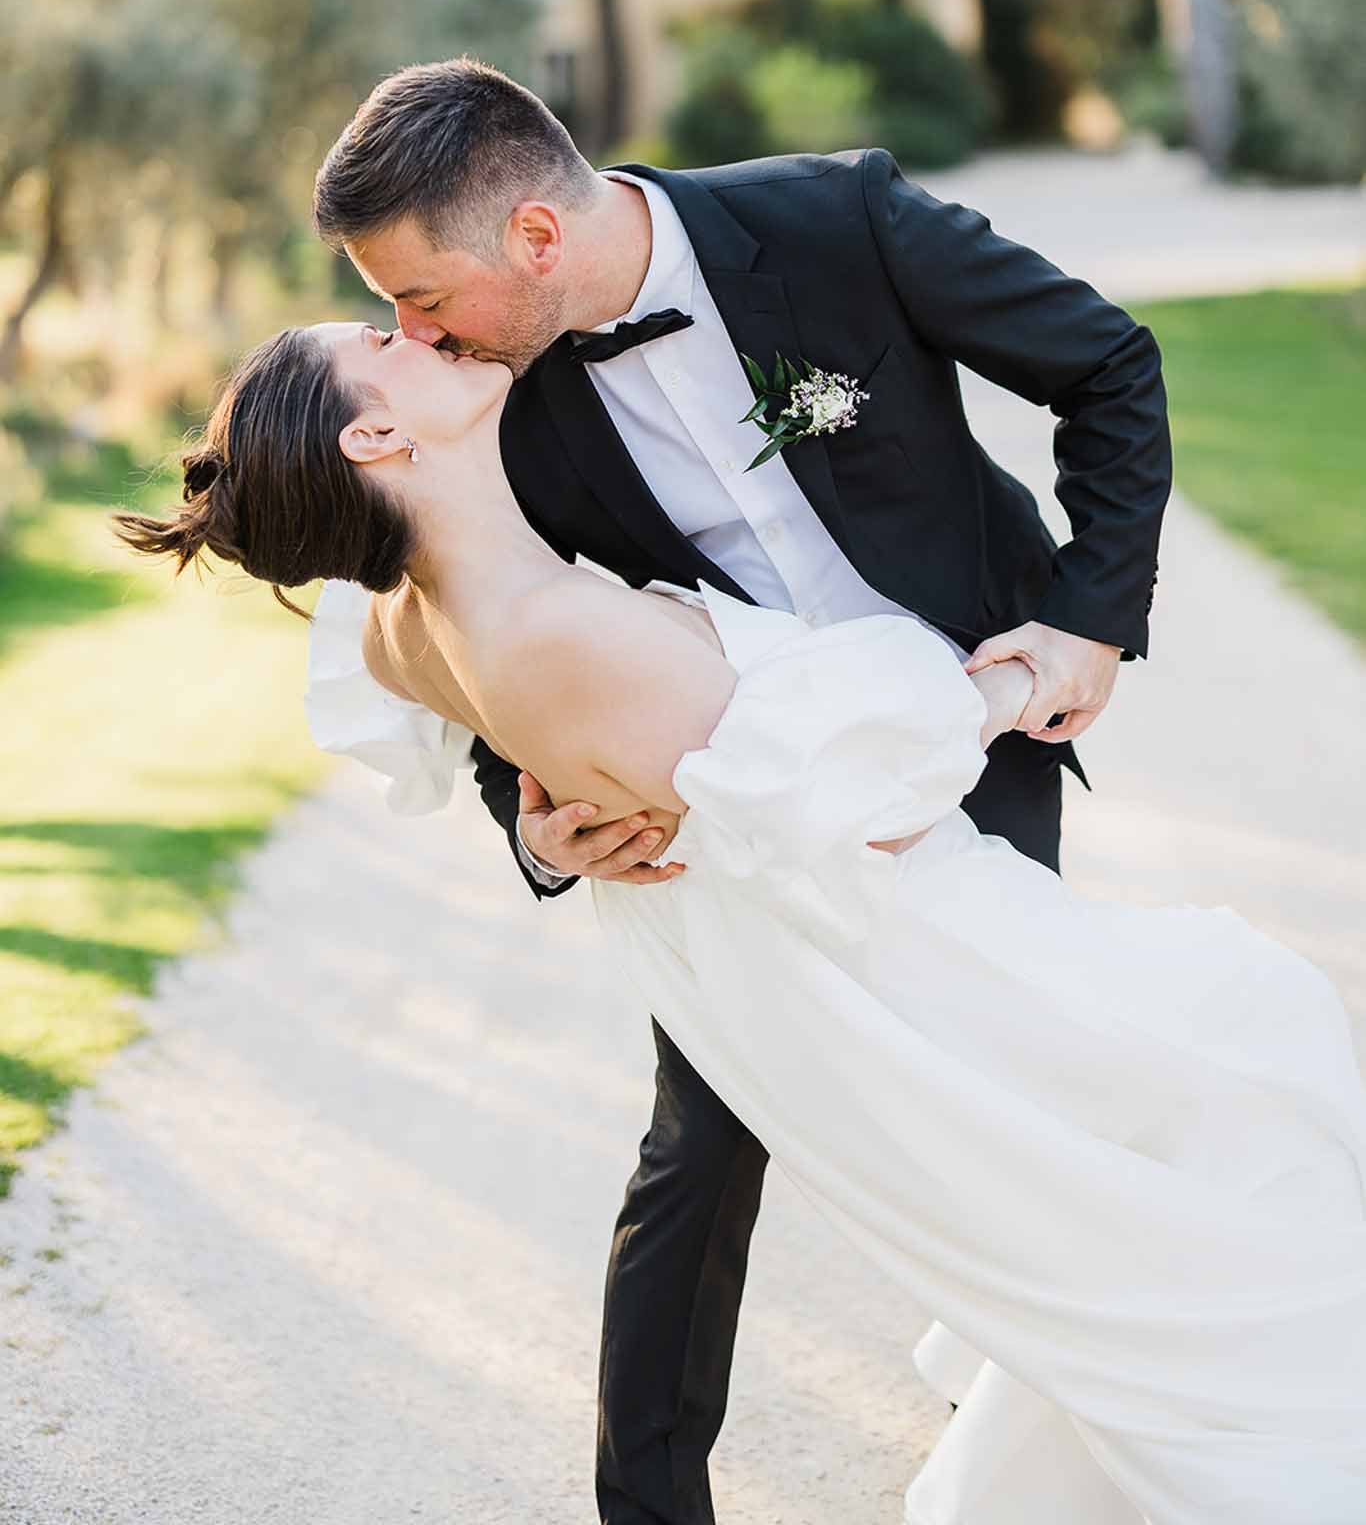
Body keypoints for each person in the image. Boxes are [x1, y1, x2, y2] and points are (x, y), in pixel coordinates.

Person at [113, 317, 1366, 1523]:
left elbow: (552, 737)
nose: (419, 333)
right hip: (891, 942)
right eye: (383, 344)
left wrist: (560, 814)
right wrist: (1013, 679)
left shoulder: (401, 626)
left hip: (767, 945)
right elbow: (870, 799)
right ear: (373, 440)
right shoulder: (551, 630)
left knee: (1176, 1147)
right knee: (1256, 1060)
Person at [302, 56, 1171, 1523]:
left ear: (532, 238)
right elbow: (468, 625)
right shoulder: (482, 399)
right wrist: (534, 813)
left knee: (1021, 1082)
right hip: (733, 791)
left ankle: (1049, 1420)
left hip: (976, 722)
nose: (408, 333)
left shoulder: (844, 219)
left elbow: (1105, 363)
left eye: (420, 296)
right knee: (700, 1143)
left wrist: (1088, 615)